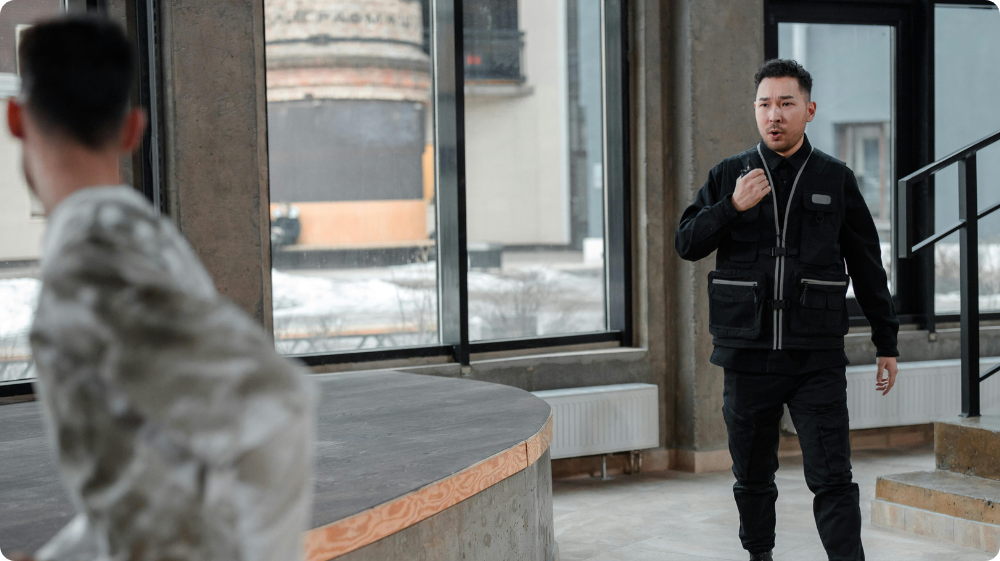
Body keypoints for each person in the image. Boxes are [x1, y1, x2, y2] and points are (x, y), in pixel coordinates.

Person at [7, 16, 315, 561]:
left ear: (15, 118)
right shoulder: (139, 237)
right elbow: (149, 489)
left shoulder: (92, 257)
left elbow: (277, 406)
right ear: (132, 129)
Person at [674, 59, 900, 561]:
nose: (773, 114)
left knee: (833, 479)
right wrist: (730, 207)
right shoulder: (729, 175)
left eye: (785, 103)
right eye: (764, 104)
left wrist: (887, 340)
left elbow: (867, 264)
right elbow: (686, 243)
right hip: (747, 357)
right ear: (755, 110)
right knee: (752, 480)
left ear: (809, 110)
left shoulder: (836, 179)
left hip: (814, 360)